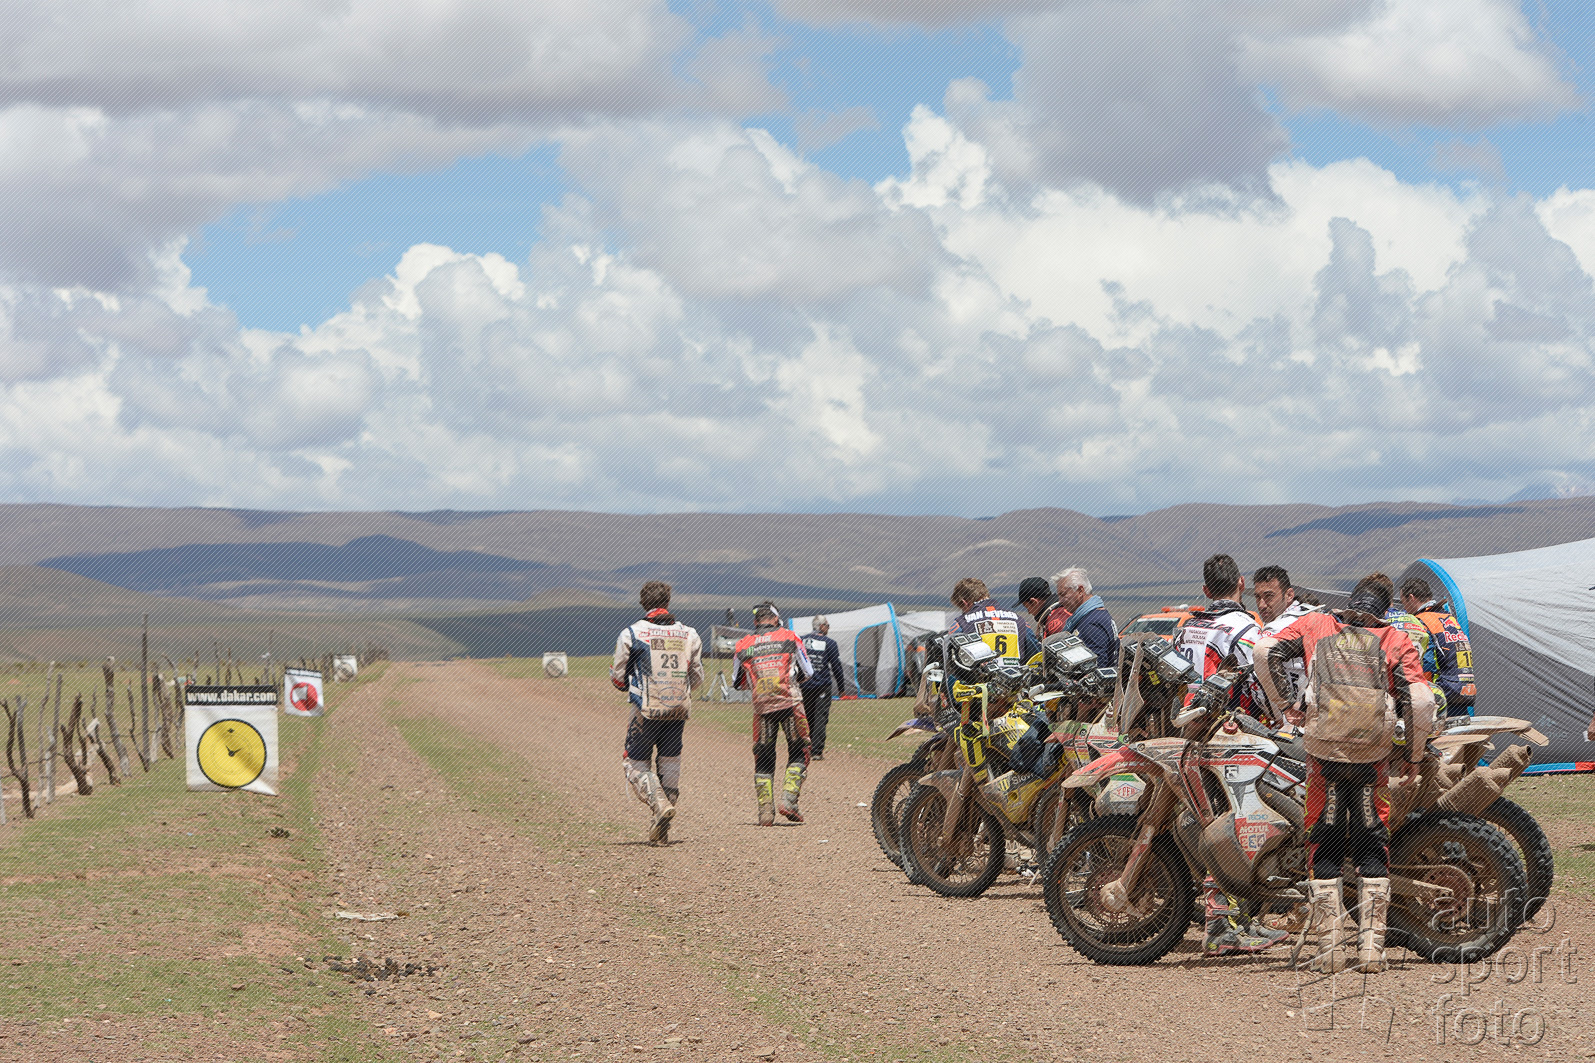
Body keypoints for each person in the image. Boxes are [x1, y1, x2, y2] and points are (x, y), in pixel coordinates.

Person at [1255, 574, 1436, 975]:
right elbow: (1421, 701)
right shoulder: (1395, 638)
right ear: (1385, 609)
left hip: (1323, 755)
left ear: (1351, 601)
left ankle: (1330, 949)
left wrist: (1286, 706)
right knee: (1373, 841)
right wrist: (1414, 756)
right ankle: (1371, 950)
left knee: (1324, 840)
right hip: (1372, 759)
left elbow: (1265, 650)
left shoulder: (1317, 624)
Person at [1173, 555, 1280, 954]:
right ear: (1241, 583)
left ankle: (1241, 920)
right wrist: (1277, 719)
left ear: (1205, 589)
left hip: (1190, 730)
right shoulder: (1244, 628)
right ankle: (1220, 925)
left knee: (1214, 820)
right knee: (1231, 826)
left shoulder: (1186, 628)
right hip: (1230, 733)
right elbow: (1261, 678)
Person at [609, 580, 705, 846]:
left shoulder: (631, 633)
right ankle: (661, 828)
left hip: (646, 710)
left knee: (634, 763)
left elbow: (618, 678)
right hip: (678, 709)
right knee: (670, 763)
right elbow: (697, 677)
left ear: (643, 603)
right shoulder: (690, 634)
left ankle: (659, 805)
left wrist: (631, 684)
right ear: (667, 602)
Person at [734, 602, 815, 825]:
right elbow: (808, 671)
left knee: (763, 756)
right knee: (800, 750)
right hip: (790, 704)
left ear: (755, 621)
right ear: (777, 619)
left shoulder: (743, 644)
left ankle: (765, 813)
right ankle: (788, 801)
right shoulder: (791, 637)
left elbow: (737, 682)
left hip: (762, 708)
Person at [1401, 577, 1477, 717]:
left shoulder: (1421, 621)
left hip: (1443, 694)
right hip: (1464, 690)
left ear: (1411, 598)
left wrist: (1422, 693)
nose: (1404, 609)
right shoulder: (1448, 617)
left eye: (1403, 602)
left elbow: (1426, 662)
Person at [950, 577, 1039, 664]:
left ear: (965, 602)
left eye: (962, 609)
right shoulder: (1020, 621)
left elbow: (949, 661)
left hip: (980, 674)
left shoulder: (961, 624)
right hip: (1016, 673)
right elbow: (1036, 657)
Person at [1053, 568, 1118, 670]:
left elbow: (1096, 668)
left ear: (1080, 591)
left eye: (1063, 594)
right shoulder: (1096, 615)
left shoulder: (1091, 623)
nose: (1060, 601)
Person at [800, 616, 846, 760]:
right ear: (821, 626)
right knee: (820, 716)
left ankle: (804, 748)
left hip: (804, 685)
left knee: (806, 716)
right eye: (827, 625)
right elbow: (836, 667)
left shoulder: (801, 640)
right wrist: (841, 687)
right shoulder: (830, 643)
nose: (828, 627)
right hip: (822, 686)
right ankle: (816, 751)